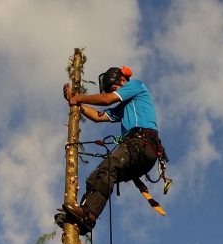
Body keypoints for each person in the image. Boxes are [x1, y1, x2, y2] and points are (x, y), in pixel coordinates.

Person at [62, 66, 165, 232]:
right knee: (100, 174)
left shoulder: (136, 86)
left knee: (110, 166)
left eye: (114, 88)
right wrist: (76, 104)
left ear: (122, 81)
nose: (113, 92)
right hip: (139, 150)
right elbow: (98, 116)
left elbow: (106, 100)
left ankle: (88, 213)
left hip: (142, 142)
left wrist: (78, 97)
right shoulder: (124, 107)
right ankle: (84, 215)